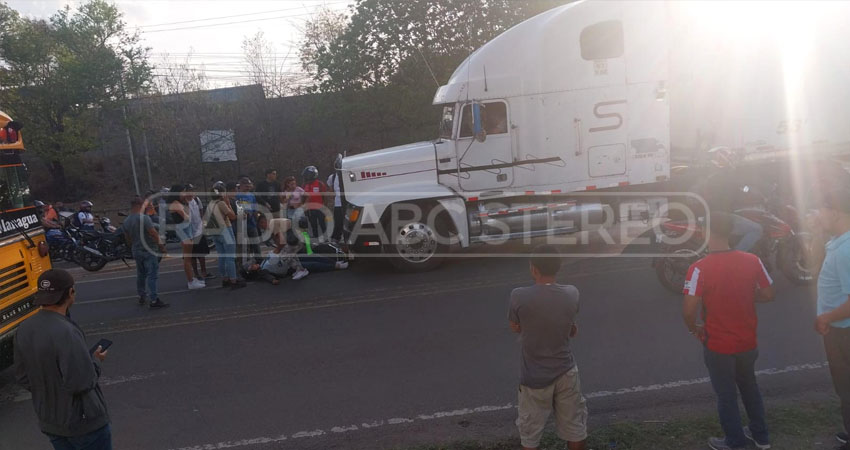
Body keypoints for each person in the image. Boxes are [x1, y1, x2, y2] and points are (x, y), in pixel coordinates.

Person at [682, 211, 774, 450]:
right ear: (732, 232)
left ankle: (734, 441)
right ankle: (761, 436)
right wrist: (744, 295)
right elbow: (767, 293)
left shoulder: (698, 268)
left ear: (704, 233)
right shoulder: (752, 260)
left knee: (726, 395)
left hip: (718, 346)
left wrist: (695, 329)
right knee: (749, 386)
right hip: (747, 342)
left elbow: (689, 310)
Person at [14, 269, 113, 449]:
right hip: (83, 423)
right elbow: (80, 381)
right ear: (70, 293)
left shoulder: (24, 328)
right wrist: (96, 361)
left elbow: (22, 376)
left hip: (50, 421)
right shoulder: (67, 331)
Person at [508, 245, 587, 450]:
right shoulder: (572, 293)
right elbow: (571, 328)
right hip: (566, 372)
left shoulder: (518, 296)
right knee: (575, 427)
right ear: (558, 267)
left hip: (533, 377)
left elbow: (515, 327)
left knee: (530, 435)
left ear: (533, 269)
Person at [813, 190, 850, 450]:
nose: (818, 215)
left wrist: (826, 317)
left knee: (847, 389)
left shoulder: (846, 250)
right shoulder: (838, 243)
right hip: (839, 330)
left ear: (835, 211)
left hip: (843, 332)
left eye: (821, 210)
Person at [696, 147, 764, 253]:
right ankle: (735, 255)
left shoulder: (710, 178)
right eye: (729, 157)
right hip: (723, 217)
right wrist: (754, 193)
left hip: (709, 216)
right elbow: (743, 188)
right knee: (757, 229)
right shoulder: (728, 176)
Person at [124, 197, 169, 308]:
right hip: (149, 250)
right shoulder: (144, 218)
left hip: (136, 250)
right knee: (152, 275)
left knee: (141, 274)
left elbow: (128, 239)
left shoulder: (126, 221)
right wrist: (162, 247)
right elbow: (153, 233)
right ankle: (154, 299)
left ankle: (142, 295)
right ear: (140, 205)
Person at [206, 182, 245, 289]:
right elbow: (233, 217)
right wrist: (228, 204)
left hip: (215, 232)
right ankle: (233, 279)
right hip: (225, 230)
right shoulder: (221, 203)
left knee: (222, 256)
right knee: (230, 257)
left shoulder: (210, 204)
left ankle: (225, 278)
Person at [169, 185, 205, 290]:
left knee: (189, 258)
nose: (185, 194)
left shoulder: (180, 203)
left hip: (187, 230)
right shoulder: (175, 204)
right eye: (183, 192)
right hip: (183, 231)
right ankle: (190, 281)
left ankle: (192, 279)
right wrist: (187, 206)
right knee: (187, 259)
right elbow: (187, 217)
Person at [187, 187, 213, 280]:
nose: (192, 192)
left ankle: (204, 272)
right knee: (193, 255)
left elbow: (201, 211)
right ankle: (196, 274)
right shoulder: (184, 203)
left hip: (198, 230)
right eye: (189, 191)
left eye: (192, 190)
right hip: (189, 233)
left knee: (202, 253)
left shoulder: (196, 200)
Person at [235, 176, 261, 258]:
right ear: (241, 186)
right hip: (241, 224)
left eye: (249, 186)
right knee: (244, 246)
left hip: (251, 223)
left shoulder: (251, 195)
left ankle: (258, 261)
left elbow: (255, 209)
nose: (248, 188)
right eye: (246, 186)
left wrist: (257, 220)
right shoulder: (237, 196)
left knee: (256, 244)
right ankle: (244, 263)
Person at [302, 166, 329, 240]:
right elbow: (303, 197)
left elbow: (325, 196)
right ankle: (315, 237)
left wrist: (325, 207)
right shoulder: (305, 185)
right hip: (310, 208)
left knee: (322, 223)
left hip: (319, 208)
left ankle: (325, 237)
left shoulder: (320, 184)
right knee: (313, 223)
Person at [327, 156, 345, 242]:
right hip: (338, 203)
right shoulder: (332, 177)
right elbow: (331, 190)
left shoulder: (346, 175)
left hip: (347, 203)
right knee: (337, 222)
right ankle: (336, 239)